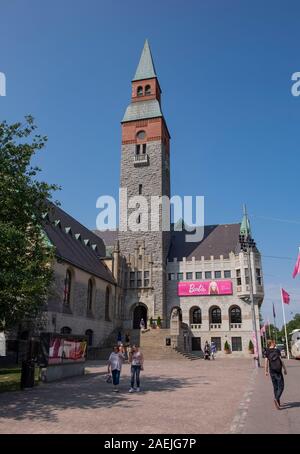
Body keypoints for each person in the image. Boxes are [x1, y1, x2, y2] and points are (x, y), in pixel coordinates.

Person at [265, 339, 287, 409]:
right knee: (281, 386)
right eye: (274, 342)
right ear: (272, 343)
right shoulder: (277, 350)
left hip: (272, 371)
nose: (275, 343)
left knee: (275, 387)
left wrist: (266, 371)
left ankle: (278, 403)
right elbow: (281, 360)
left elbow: (266, 362)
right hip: (278, 371)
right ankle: (276, 398)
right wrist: (284, 369)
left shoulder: (267, 351)